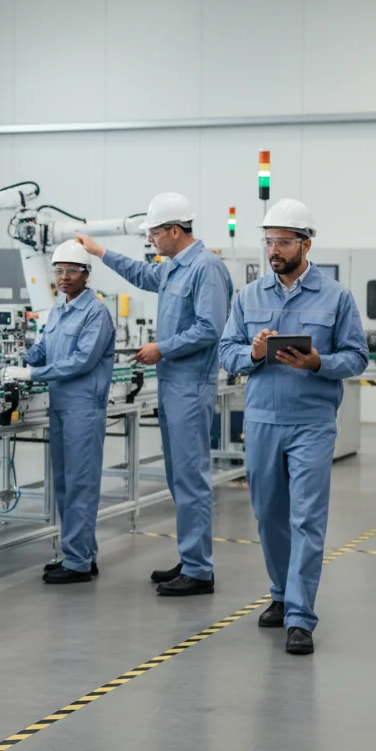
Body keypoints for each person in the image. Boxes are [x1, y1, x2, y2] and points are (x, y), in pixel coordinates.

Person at [219, 199, 366, 655]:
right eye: (269, 241)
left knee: (307, 518)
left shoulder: (336, 296)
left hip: (312, 423)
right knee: (269, 516)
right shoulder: (248, 297)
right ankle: (281, 594)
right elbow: (226, 352)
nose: (274, 250)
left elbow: (357, 357)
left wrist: (319, 361)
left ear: (306, 243)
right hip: (262, 420)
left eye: (283, 241)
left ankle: (300, 617)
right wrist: (254, 353)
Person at [77, 192, 232, 596]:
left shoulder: (206, 268)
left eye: (154, 234)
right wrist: (98, 251)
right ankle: (191, 557)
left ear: (175, 231)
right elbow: (140, 273)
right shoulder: (173, 268)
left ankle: (199, 570)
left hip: (190, 386)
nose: (151, 241)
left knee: (191, 477)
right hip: (171, 385)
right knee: (178, 476)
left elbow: (209, 328)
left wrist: (161, 348)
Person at [4, 241, 116, 584]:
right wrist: (23, 356)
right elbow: (45, 349)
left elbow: (81, 360)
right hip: (61, 406)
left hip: (84, 408)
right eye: (58, 270)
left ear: (85, 274)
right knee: (65, 485)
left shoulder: (96, 312)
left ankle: (78, 561)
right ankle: (80, 553)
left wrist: (32, 374)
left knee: (81, 483)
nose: (63, 277)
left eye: (71, 271)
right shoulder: (58, 311)